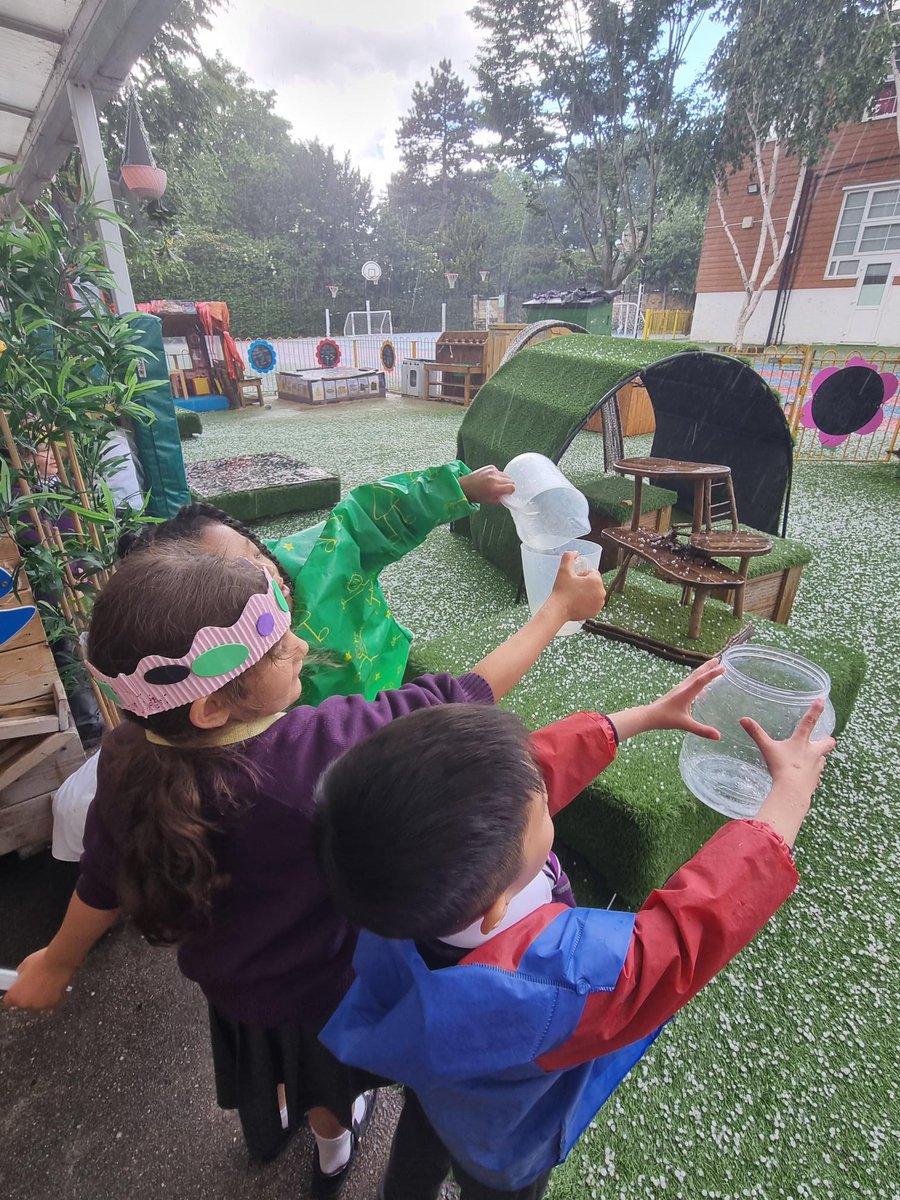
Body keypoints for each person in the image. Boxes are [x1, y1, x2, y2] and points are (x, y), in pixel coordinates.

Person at [4, 541, 605, 1198]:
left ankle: (331, 1149)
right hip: (336, 988)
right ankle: (340, 1132)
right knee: (336, 1072)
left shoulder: (123, 757)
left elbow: (99, 880)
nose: (297, 644)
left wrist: (57, 963)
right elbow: (468, 695)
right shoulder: (321, 751)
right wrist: (554, 611)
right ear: (209, 707)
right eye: (276, 646)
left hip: (241, 997)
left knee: (313, 1089)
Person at [314, 672, 836, 1200]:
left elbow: (498, 790)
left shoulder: (387, 881)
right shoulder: (556, 981)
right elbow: (679, 942)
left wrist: (642, 716)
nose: (542, 784)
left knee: (421, 1141)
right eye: (540, 804)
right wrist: (787, 799)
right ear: (499, 907)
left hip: (437, 1085)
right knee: (493, 1182)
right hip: (508, 1141)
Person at [122, 460, 514, 706]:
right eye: (234, 575)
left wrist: (455, 489)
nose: (265, 574)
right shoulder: (224, 652)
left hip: (384, 666)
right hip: (325, 728)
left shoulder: (313, 558)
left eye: (254, 553)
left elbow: (366, 520)